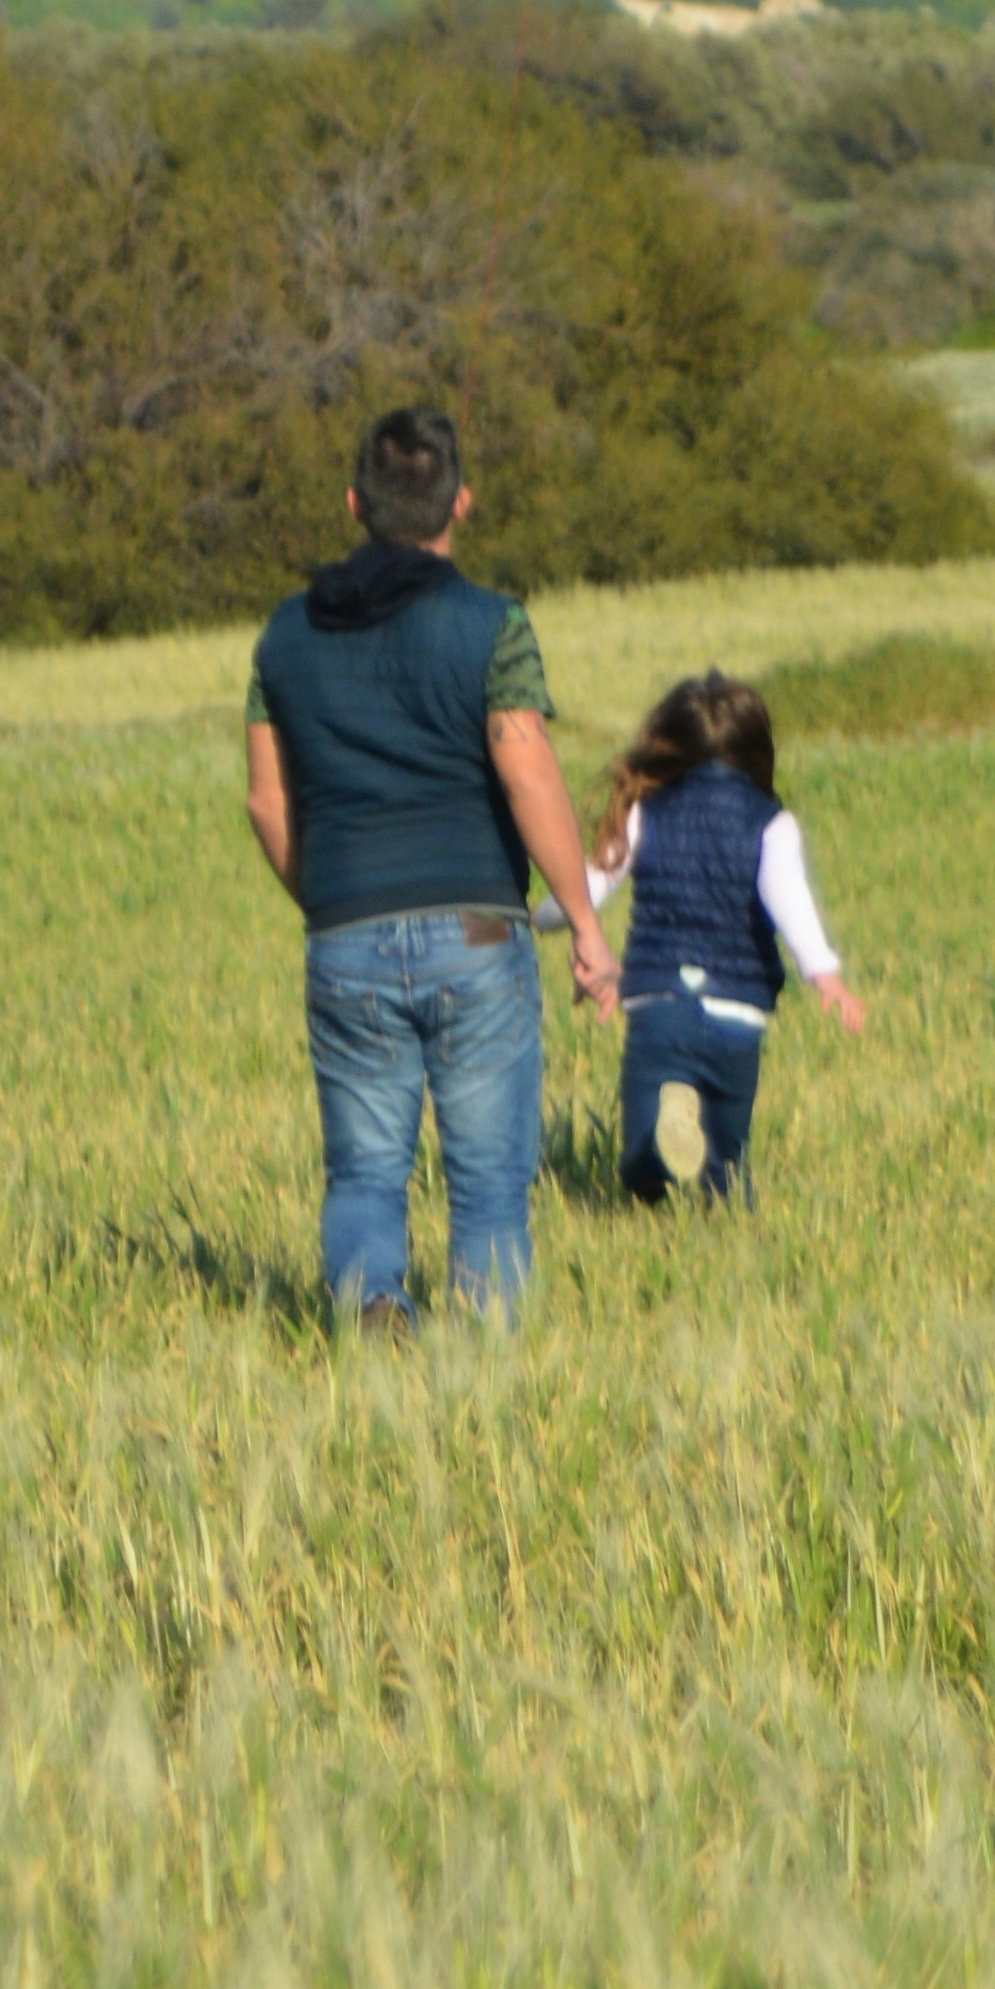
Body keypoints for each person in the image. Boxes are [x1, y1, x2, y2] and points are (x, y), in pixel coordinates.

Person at [243, 407, 619, 1320]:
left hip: (345, 931)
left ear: (353, 504)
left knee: (365, 1171)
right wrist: (586, 923)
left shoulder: (284, 638)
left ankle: (374, 1304)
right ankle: (484, 1367)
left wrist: (327, 898)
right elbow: (528, 773)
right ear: (462, 502)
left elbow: (266, 799)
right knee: (490, 1179)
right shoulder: (492, 624)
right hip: (479, 927)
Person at [589, 671, 865, 1206]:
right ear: (757, 749)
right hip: (737, 1012)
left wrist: (540, 917)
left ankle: (655, 1154)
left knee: (642, 1156)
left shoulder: (645, 811)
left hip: (660, 1000)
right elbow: (788, 898)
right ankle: (729, 1214)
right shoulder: (770, 822)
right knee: (728, 1159)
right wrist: (825, 974)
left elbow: (591, 884)